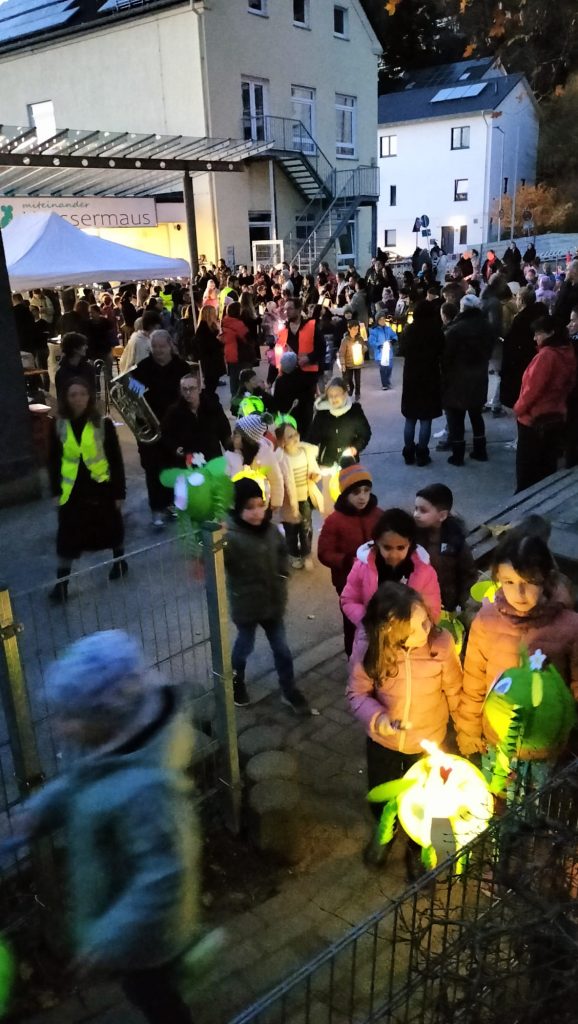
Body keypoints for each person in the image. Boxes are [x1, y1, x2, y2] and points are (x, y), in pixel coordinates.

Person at [5, 630, 200, 1023]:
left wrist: (107, 938)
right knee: (145, 988)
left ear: (105, 715)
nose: (61, 727)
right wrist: (35, 813)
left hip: (147, 938)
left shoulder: (148, 790)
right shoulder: (115, 748)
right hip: (125, 920)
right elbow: (82, 783)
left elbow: (164, 875)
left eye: (71, 717)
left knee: (153, 995)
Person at [347, 583, 463, 876]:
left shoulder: (440, 644)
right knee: (383, 793)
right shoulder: (369, 648)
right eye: (418, 627)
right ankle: (386, 831)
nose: (428, 627)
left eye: (425, 619)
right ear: (392, 634)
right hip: (383, 743)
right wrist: (378, 719)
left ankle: (417, 846)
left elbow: (455, 691)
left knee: (425, 800)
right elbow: (357, 694)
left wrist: (465, 730)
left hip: (427, 743)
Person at [458, 532, 578, 758]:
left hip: (544, 743)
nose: (519, 593)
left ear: (546, 579)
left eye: (529, 582)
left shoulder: (570, 627)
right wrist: (468, 730)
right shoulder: (486, 621)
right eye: (509, 582)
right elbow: (474, 680)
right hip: (496, 737)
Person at [224, 478, 313, 714]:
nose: (256, 512)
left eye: (259, 505)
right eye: (249, 507)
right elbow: (216, 561)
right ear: (237, 509)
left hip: (273, 603)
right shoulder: (230, 537)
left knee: (282, 649)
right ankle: (236, 680)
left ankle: (288, 689)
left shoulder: (271, 530)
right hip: (246, 605)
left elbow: (282, 551)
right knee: (244, 646)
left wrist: (283, 574)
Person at [48, 378, 126, 603]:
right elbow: (53, 460)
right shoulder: (59, 425)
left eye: (82, 394)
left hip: (101, 487)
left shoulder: (103, 424)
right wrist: (55, 490)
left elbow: (115, 460)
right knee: (67, 538)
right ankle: (62, 584)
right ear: (66, 398)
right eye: (73, 395)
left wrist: (119, 492)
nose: (78, 399)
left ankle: (120, 562)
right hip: (72, 489)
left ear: (89, 396)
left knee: (112, 529)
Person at [341, 508, 442, 640]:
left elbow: (433, 610)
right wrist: (367, 620)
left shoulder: (424, 573)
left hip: (409, 641)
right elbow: (349, 600)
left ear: (410, 544)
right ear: (377, 543)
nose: (394, 555)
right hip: (372, 637)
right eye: (387, 547)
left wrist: (413, 629)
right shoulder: (362, 567)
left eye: (401, 548)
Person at [318, 464, 383, 656]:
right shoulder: (334, 521)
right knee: (353, 625)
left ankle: (376, 656)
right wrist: (347, 561)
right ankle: (353, 658)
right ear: (346, 493)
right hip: (348, 584)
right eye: (356, 492)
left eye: (366, 491)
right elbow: (324, 552)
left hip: (377, 580)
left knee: (377, 621)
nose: (362, 497)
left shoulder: (378, 515)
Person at [131, 331, 191, 527]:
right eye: (154, 347)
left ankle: (174, 504)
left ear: (170, 346)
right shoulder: (142, 368)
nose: (158, 350)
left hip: (176, 427)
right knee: (153, 469)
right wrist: (139, 412)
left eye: (162, 346)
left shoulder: (182, 367)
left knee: (177, 466)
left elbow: (189, 393)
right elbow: (134, 395)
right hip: (151, 427)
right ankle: (156, 508)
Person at [513, 316, 577, 492]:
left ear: (551, 333)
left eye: (538, 333)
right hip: (555, 415)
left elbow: (532, 390)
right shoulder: (568, 351)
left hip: (534, 419)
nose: (535, 338)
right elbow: (570, 383)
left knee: (527, 470)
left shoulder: (546, 356)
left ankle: (524, 504)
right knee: (547, 465)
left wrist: (518, 409)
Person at [442, 294, 494, 466]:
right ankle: (480, 449)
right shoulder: (486, 326)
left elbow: (446, 355)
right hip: (479, 375)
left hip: (457, 377)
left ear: (462, 308)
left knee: (456, 417)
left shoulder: (455, 329)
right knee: (476, 414)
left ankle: (458, 454)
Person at [414, 483, 476, 614]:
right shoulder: (413, 535)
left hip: (447, 604)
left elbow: (468, 574)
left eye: (423, 511)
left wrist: (462, 604)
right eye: (416, 508)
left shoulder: (455, 541)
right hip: (418, 602)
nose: (416, 514)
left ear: (442, 516)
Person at [400, 300, 444, 467]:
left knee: (410, 418)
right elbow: (442, 351)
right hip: (430, 376)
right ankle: (422, 453)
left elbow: (402, 350)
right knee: (426, 418)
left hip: (411, 376)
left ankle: (408, 452)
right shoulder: (436, 331)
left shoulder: (409, 330)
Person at [275, 421, 322, 571]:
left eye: (295, 434)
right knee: (291, 530)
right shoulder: (281, 459)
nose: (295, 438)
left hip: (305, 498)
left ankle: (306, 554)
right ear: (282, 442)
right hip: (288, 502)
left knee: (306, 528)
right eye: (290, 436)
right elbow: (277, 481)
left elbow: (314, 470)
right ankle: (293, 554)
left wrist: (315, 476)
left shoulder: (306, 452)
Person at [160, 376, 231, 468]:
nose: (188, 392)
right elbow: (165, 434)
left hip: (213, 459)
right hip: (188, 462)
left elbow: (225, 431)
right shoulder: (174, 412)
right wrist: (175, 448)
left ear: (199, 389)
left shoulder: (213, 407)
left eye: (192, 388)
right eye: (184, 389)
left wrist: (231, 451)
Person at [308, 377, 371, 470]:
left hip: (349, 462)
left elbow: (365, 434)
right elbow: (312, 438)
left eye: (337, 395)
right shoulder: (323, 413)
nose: (334, 398)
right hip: (327, 464)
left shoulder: (354, 411)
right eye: (331, 396)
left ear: (345, 394)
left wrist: (355, 448)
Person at [500, 287, 548, 410]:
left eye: (517, 297)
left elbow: (514, 341)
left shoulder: (521, 319)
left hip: (522, 356)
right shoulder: (541, 312)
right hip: (536, 352)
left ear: (521, 300)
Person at [224, 414, 284, 511]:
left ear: (247, 441)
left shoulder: (265, 454)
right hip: (237, 506)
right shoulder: (230, 454)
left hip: (259, 506)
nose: (232, 436)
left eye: (236, 434)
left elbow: (276, 478)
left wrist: (276, 501)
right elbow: (224, 479)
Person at [220, 301, 254, 396]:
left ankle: (234, 399)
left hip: (230, 354)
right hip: (240, 355)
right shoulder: (238, 324)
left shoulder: (225, 322)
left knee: (233, 379)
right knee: (244, 379)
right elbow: (248, 338)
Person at [192, 306, 226, 393]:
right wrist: (219, 341)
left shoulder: (209, 327)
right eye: (213, 313)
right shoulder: (203, 329)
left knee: (212, 384)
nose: (215, 315)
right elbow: (208, 345)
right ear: (209, 315)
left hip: (212, 361)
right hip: (210, 362)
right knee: (210, 385)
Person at [55, 332, 96, 399]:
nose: (86, 347)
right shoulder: (62, 373)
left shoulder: (89, 368)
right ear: (75, 349)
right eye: (83, 345)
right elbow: (61, 399)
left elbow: (92, 394)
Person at [338, 319, 367, 401]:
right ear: (349, 329)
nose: (355, 331)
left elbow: (364, 348)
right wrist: (343, 364)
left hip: (357, 363)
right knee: (349, 379)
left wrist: (362, 348)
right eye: (354, 329)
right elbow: (341, 353)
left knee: (358, 380)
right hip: (348, 364)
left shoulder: (360, 338)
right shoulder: (345, 340)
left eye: (357, 329)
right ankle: (351, 387)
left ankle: (357, 393)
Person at [368, 312, 396, 390]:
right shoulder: (374, 330)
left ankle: (387, 381)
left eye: (383, 319)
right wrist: (379, 345)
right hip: (380, 354)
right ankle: (384, 384)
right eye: (380, 319)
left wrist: (392, 341)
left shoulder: (388, 329)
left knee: (389, 368)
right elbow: (371, 341)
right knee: (383, 368)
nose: (382, 321)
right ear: (377, 321)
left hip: (389, 353)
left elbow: (394, 335)